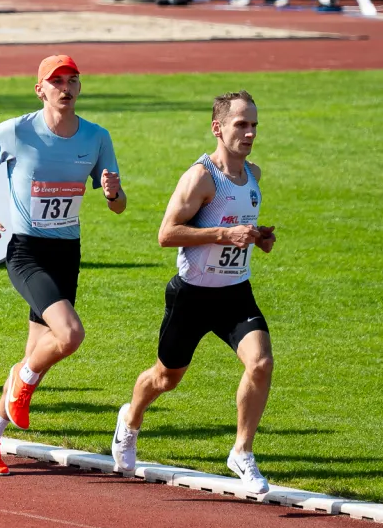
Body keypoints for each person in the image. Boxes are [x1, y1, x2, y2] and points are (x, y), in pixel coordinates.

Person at [0, 54, 125, 476]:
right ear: (41, 89)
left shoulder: (96, 137)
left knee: (36, 353)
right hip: (27, 252)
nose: (65, 88)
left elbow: (119, 206)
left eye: (72, 81)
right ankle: (23, 380)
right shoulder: (17, 131)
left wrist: (111, 192)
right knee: (69, 335)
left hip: (67, 254)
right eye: (56, 82)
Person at [112, 91, 275, 497]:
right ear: (218, 128)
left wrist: (257, 238)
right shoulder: (201, 177)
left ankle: (242, 451)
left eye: (254, 124)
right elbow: (166, 234)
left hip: (235, 293)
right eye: (241, 124)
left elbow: (237, 227)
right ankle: (130, 420)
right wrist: (224, 233)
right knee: (165, 378)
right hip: (192, 296)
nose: (250, 132)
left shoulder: (253, 174)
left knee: (261, 363)